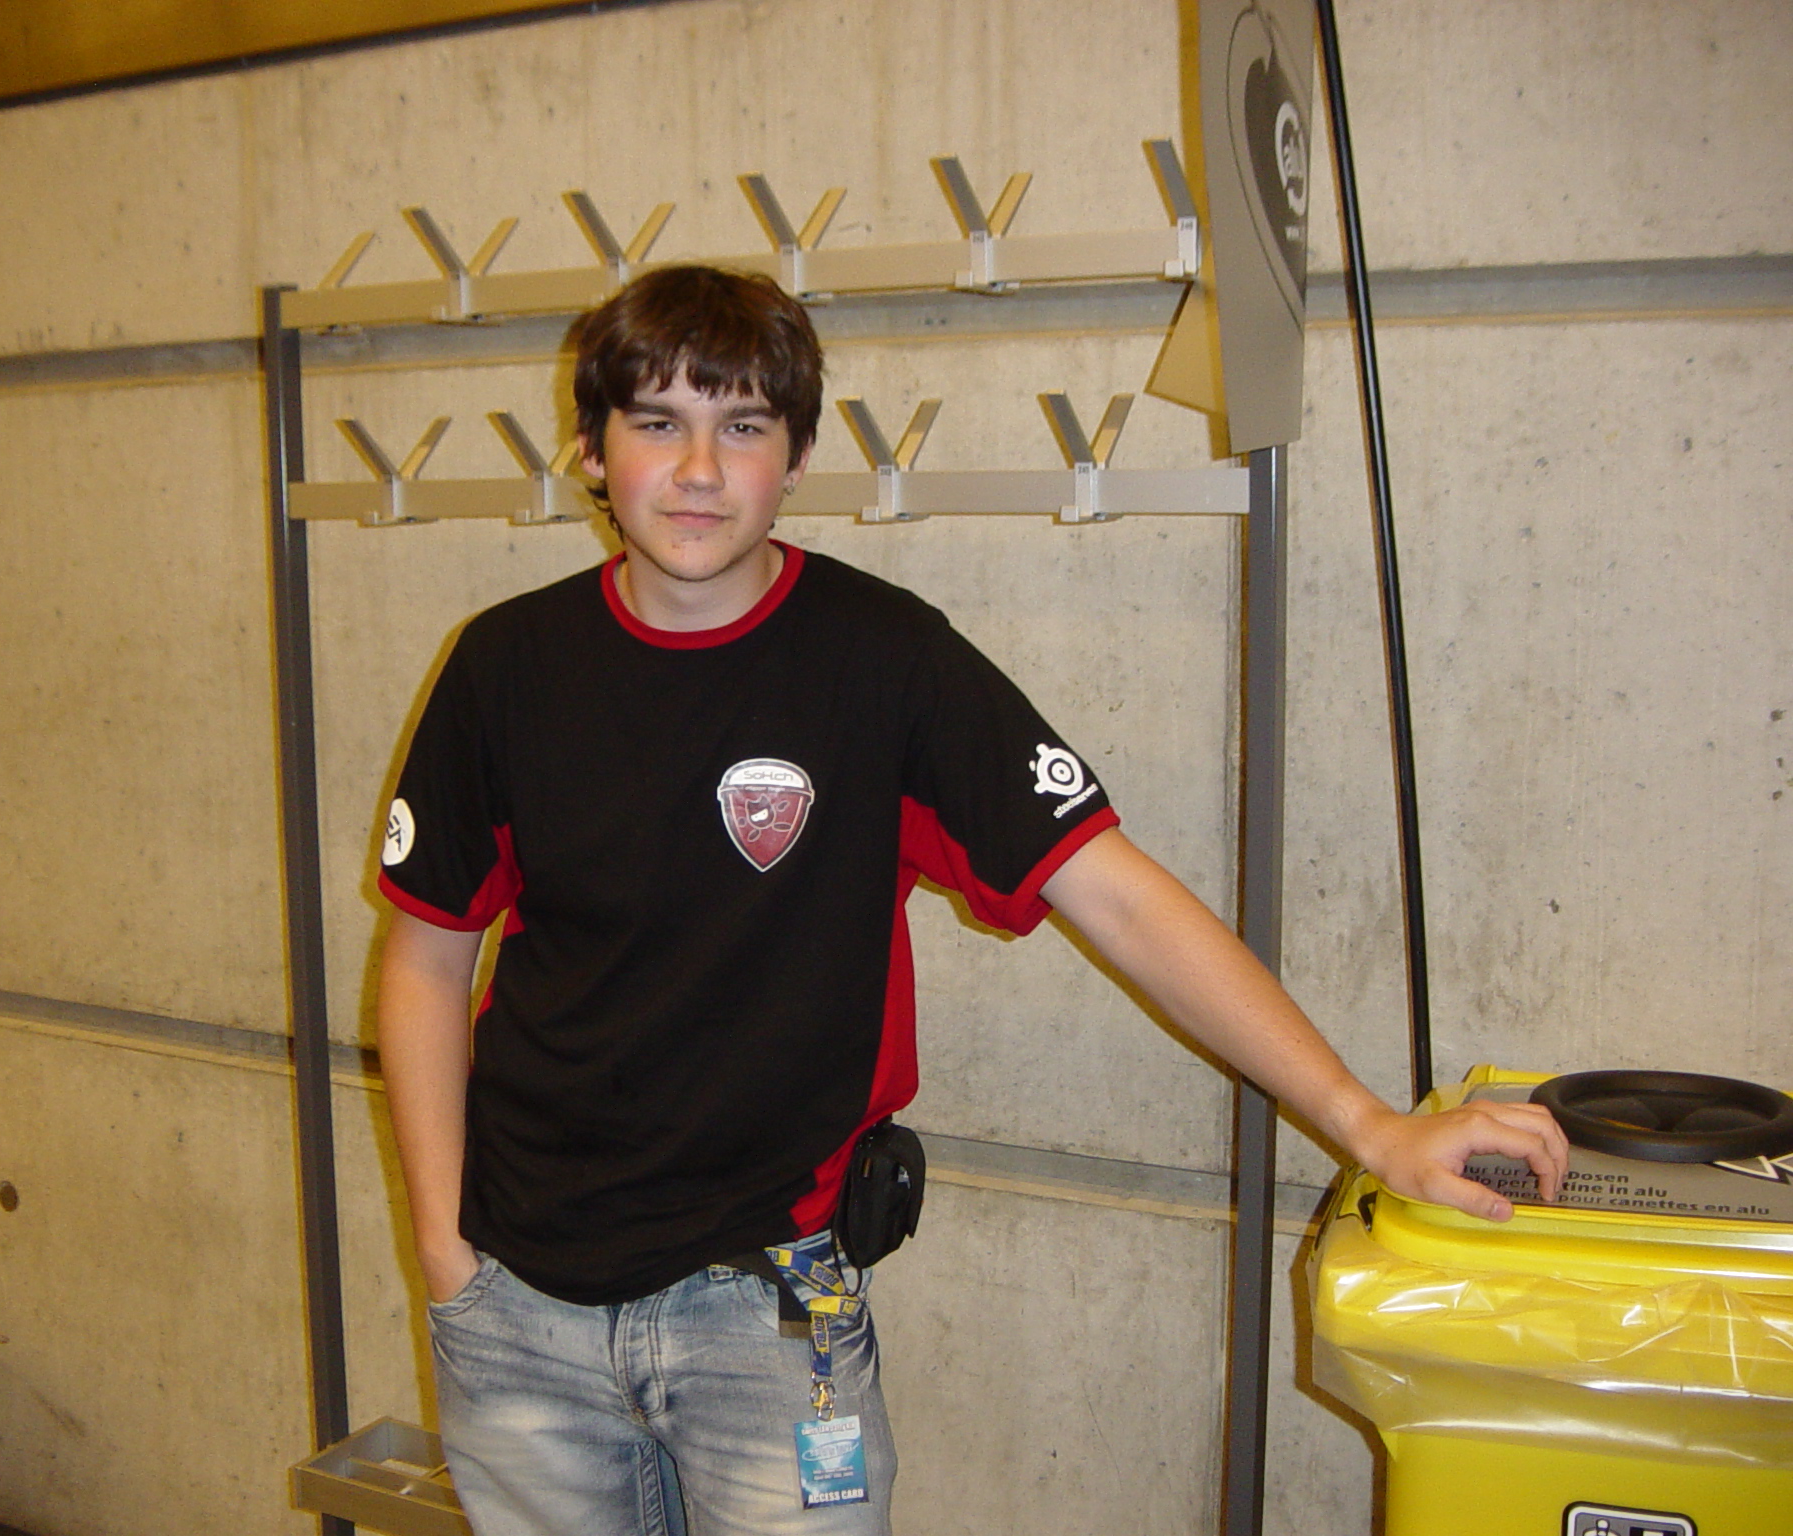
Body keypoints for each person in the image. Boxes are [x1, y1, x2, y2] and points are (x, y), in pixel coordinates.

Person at [373, 265, 1565, 1536]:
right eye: (657, 423)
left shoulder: (884, 663)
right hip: (520, 1311)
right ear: (590, 449)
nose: (699, 470)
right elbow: (425, 959)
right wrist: (446, 1254)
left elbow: (1117, 898)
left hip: (769, 1313)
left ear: (798, 456)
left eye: (744, 426)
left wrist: (1367, 1127)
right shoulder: (504, 667)